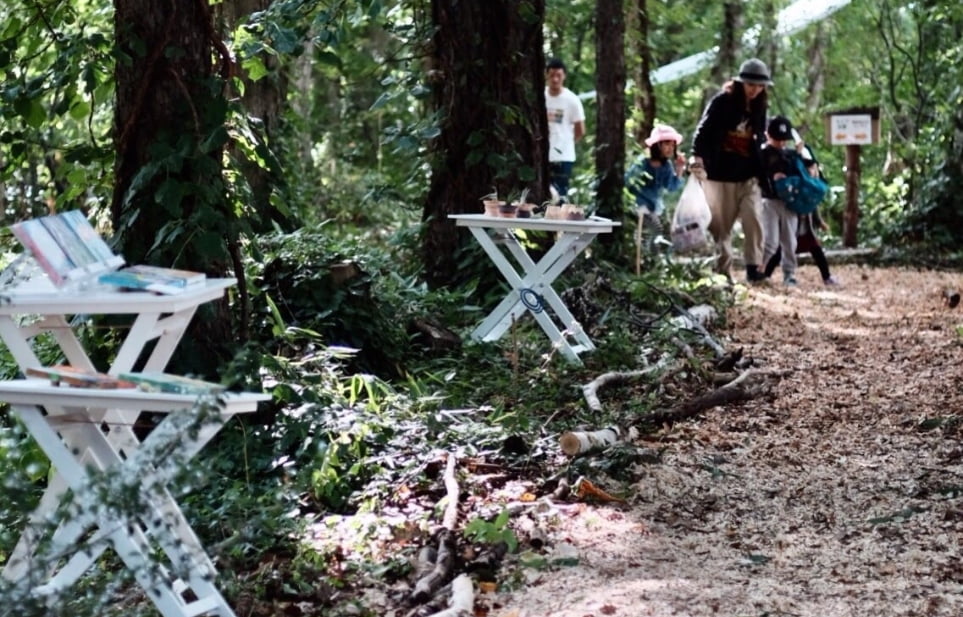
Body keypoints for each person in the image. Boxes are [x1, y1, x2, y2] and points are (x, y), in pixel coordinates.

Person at [690, 58, 772, 283]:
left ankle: (754, 268)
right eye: (750, 85)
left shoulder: (760, 106)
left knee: (753, 216)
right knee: (721, 228)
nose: (755, 90)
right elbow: (702, 132)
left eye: (759, 86)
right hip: (720, 175)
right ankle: (722, 273)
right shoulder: (722, 102)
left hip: (749, 174)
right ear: (741, 83)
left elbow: (760, 139)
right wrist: (697, 157)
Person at [625, 124, 686, 257]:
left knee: (657, 232)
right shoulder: (642, 162)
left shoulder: (666, 166)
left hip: (654, 206)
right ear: (657, 145)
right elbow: (629, 182)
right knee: (655, 228)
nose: (671, 148)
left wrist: (679, 170)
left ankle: (650, 259)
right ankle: (647, 257)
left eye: (673, 145)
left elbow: (671, 187)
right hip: (638, 204)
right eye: (667, 144)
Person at [759, 115, 804, 286]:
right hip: (768, 201)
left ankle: (789, 274)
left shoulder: (791, 155)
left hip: (789, 202)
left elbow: (804, 172)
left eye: (784, 140)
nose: (781, 143)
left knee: (790, 241)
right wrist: (772, 177)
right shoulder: (762, 154)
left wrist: (800, 155)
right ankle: (759, 271)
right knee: (770, 241)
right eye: (777, 139)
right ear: (768, 135)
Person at [545, 58, 586, 200]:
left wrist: (567, 142)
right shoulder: (541, 96)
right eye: (552, 75)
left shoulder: (571, 100)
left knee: (560, 196)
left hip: (563, 156)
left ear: (564, 76)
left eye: (559, 75)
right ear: (546, 76)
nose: (555, 79)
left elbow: (580, 129)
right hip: (542, 154)